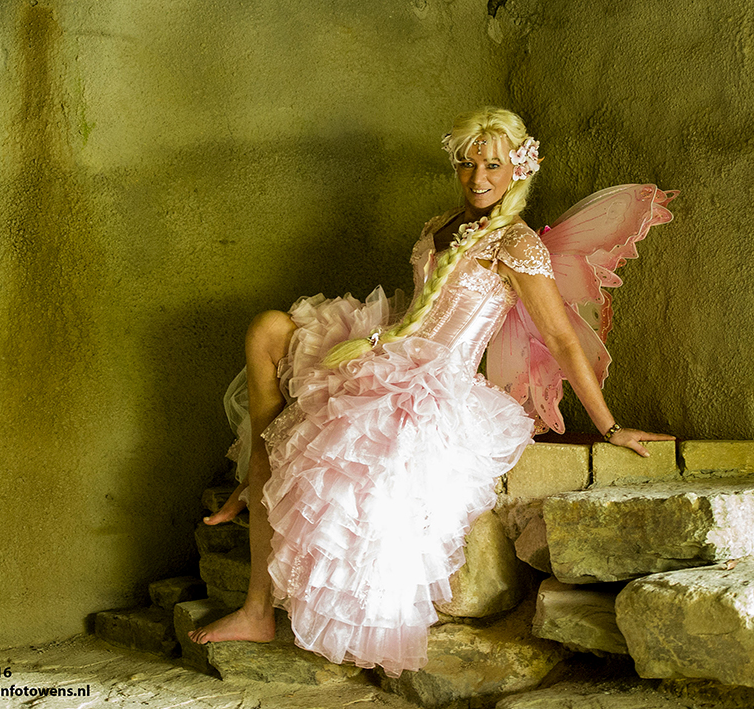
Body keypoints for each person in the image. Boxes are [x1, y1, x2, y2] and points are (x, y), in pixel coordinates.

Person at [188, 107, 675, 677]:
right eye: (467, 164)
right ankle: (255, 475)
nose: (478, 178)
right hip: (390, 345)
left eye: (492, 165)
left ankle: (257, 596)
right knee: (268, 330)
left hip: (434, 385)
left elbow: (563, 340)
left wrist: (611, 426)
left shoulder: (516, 244)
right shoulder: (440, 225)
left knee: (339, 441)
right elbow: (422, 309)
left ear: (519, 168)